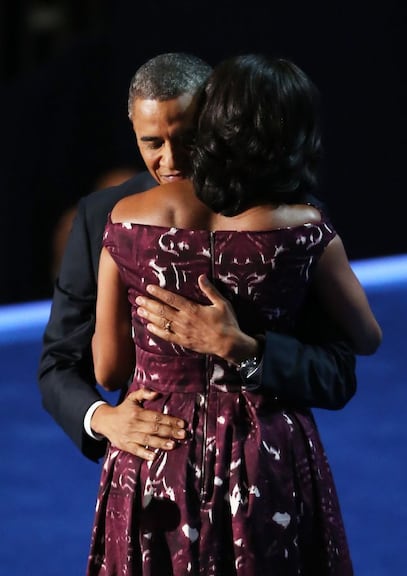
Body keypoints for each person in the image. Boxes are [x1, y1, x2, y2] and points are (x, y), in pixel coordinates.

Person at [86, 54, 381, 574]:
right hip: (263, 451)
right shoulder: (300, 230)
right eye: (152, 141)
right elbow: (366, 337)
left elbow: (108, 370)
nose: (169, 155)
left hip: (155, 448)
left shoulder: (124, 224)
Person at [38, 52, 357, 468]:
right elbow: (59, 364)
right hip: (154, 475)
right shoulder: (102, 216)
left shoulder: (291, 219)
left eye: (188, 139)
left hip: (265, 466)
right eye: (152, 142)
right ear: (132, 129)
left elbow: (336, 373)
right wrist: (104, 419)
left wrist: (247, 351)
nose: (172, 162)